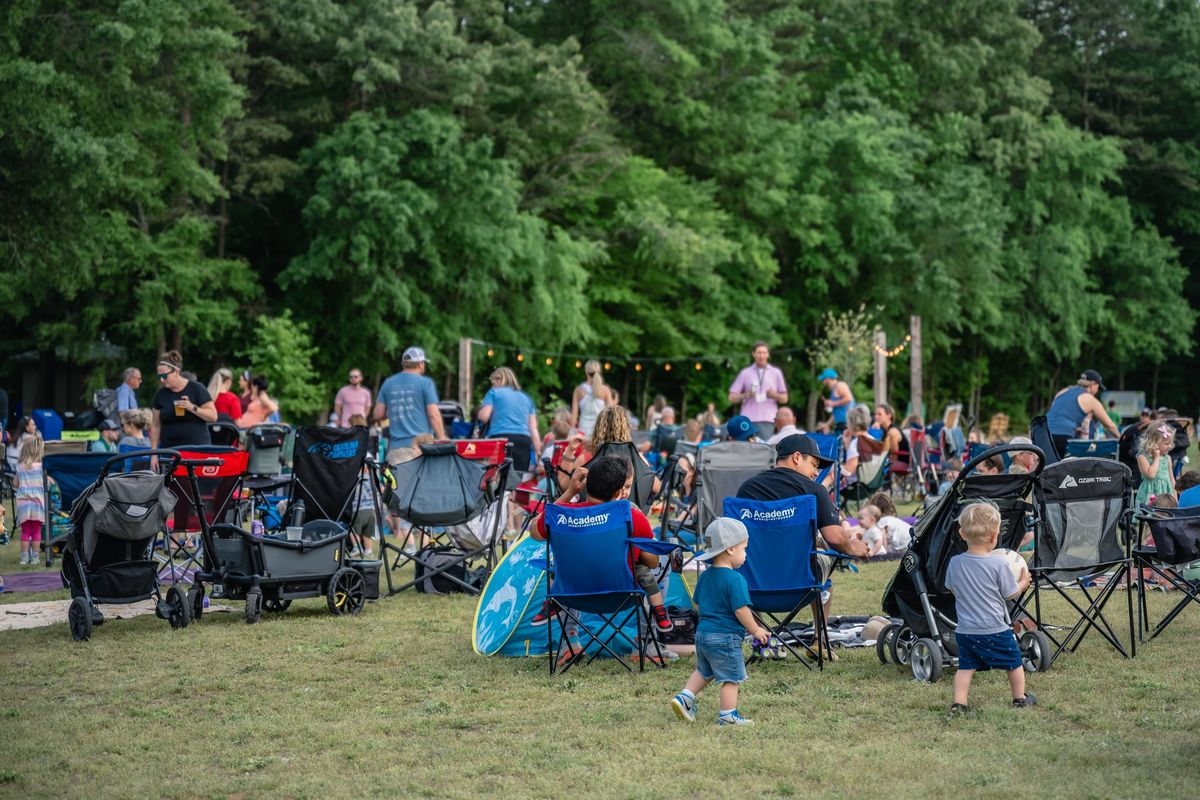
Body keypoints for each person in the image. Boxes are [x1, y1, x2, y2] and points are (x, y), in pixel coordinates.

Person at [736, 434, 870, 646]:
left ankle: (762, 640)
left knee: (746, 564)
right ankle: (819, 641)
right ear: (797, 458)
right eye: (814, 464)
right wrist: (853, 548)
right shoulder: (813, 490)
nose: (816, 472)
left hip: (753, 587)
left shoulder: (747, 489)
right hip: (801, 585)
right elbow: (835, 537)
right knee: (824, 569)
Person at [531, 456, 676, 642]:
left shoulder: (562, 515)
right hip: (622, 594)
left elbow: (534, 533)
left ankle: (570, 642)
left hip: (570, 594)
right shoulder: (630, 514)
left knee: (563, 564)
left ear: (586, 485)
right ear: (618, 492)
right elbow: (653, 561)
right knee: (661, 564)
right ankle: (647, 641)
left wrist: (569, 492)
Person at [670, 517, 770, 726]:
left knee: (704, 671)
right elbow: (742, 610)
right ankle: (727, 715)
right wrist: (756, 630)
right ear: (731, 549)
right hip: (725, 637)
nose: (746, 554)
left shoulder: (705, 577)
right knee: (731, 678)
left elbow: (697, 603)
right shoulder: (735, 579)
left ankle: (685, 697)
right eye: (744, 548)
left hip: (703, 635)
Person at [945, 501, 1037, 715]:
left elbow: (952, 588)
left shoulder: (955, 563)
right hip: (995, 629)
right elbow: (1009, 594)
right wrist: (1023, 583)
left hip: (966, 631)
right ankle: (1019, 698)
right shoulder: (998, 564)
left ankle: (959, 704)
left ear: (962, 533)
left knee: (966, 667)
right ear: (995, 537)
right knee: (1014, 663)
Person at [374, 347, 445, 467]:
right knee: (423, 485)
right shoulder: (426, 383)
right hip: (422, 448)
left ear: (404, 364)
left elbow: (378, 414)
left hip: (397, 449)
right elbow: (433, 414)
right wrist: (442, 437)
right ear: (420, 364)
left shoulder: (388, 383)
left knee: (400, 485)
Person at [478, 367, 540, 477]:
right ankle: (512, 494)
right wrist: (538, 451)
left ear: (499, 379)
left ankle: (499, 494)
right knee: (516, 479)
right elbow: (533, 427)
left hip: (501, 439)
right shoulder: (526, 397)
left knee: (496, 477)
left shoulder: (494, 392)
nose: (492, 386)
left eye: (493, 382)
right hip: (523, 441)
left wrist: (479, 412)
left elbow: (484, 417)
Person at [150, 351, 217, 449]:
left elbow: (213, 417)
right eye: (159, 376)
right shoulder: (161, 394)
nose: (161, 380)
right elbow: (155, 426)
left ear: (176, 372)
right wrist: (154, 453)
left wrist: (192, 408)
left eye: (164, 376)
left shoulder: (197, 388)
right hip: (170, 451)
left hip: (197, 450)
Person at [1045, 370, 1119, 457]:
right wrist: (1122, 438)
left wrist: (1073, 428)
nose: (1097, 391)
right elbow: (1110, 425)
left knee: (1047, 468)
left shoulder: (1063, 391)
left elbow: (1056, 415)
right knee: (1066, 468)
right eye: (1098, 387)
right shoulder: (1090, 399)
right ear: (1093, 384)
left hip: (1043, 433)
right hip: (1062, 437)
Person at [728, 342, 788, 441]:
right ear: (753, 354)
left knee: (765, 448)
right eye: (759, 353)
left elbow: (785, 399)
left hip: (768, 419)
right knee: (748, 449)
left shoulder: (776, 372)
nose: (762, 355)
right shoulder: (745, 373)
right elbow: (731, 397)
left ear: (768, 354)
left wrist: (774, 395)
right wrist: (746, 395)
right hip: (748, 420)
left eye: (764, 353)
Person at [15, 434, 45, 566]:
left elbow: (16, 484)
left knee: (25, 531)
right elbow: (45, 483)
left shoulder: (20, 467)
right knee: (36, 531)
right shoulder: (41, 467)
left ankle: (24, 558)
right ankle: (35, 557)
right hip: (37, 503)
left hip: (23, 504)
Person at [1135, 423, 1176, 506]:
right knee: (1149, 516)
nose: (1170, 446)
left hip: (1166, 494)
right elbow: (1151, 474)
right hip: (1150, 495)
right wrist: (1156, 457)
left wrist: (1175, 498)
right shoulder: (1142, 457)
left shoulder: (1167, 458)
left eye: (1170, 443)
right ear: (1154, 443)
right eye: (1166, 444)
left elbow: (1172, 479)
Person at [571, 360, 613, 438]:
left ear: (586, 372)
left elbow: (574, 415)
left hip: (583, 431)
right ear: (599, 371)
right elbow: (611, 413)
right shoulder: (605, 390)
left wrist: (571, 432)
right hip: (600, 430)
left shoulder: (578, 390)